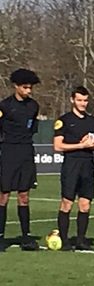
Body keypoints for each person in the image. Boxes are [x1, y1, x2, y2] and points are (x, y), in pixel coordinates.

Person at [53, 86, 94, 251]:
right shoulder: (64, 120)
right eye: (79, 100)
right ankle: (65, 240)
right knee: (67, 202)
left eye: (85, 100)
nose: (83, 103)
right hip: (71, 164)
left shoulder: (93, 121)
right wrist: (80, 145)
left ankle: (81, 240)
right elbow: (58, 146)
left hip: (88, 165)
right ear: (72, 100)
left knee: (85, 204)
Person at [0, 68, 41, 252]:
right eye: (25, 87)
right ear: (16, 86)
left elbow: (32, 129)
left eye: (30, 87)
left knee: (24, 196)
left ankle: (26, 237)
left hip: (26, 152)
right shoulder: (4, 106)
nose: (28, 91)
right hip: (8, 152)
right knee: (4, 196)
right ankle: (1, 238)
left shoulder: (33, 106)